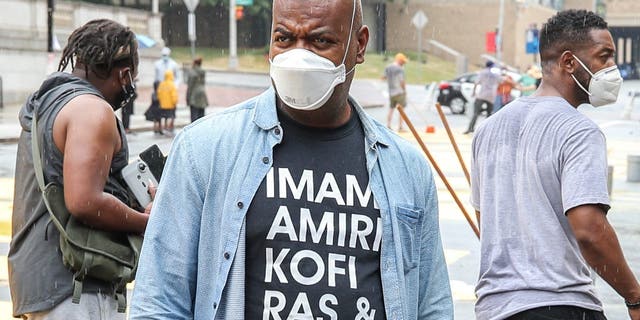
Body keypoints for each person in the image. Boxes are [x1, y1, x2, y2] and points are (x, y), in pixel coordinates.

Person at [130, 0, 453, 319]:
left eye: (320, 40)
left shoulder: (406, 169)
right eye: (284, 39)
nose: (299, 57)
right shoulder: (204, 150)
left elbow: (432, 306)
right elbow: (159, 304)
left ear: (359, 44)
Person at [470, 10, 640, 320]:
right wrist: (634, 296)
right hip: (561, 306)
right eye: (604, 57)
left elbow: (487, 222)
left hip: (495, 310)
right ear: (568, 62)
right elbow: (590, 231)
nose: (612, 69)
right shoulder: (579, 131)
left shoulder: (488, 129)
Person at [8, 19, 151, 319]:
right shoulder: (92, 109)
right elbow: (84, 201)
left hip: (39, 283)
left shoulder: (47, 103)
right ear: (124, 74)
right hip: (75, 289)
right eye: (132, 78)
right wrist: (144, 221)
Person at [464, 61, 501, 134]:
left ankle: (470, 128)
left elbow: (476, 82)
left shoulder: (482, 72)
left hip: (482, 94)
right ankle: (487, 130)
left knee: (476, 113)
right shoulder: (495, 74)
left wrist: (474, 92)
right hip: (491, 96)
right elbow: (500, 81)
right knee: (489, 114)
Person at [382, 52, 408, 131]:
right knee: (401, 109)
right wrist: (404, 90)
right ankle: (400, 127)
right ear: (399, 60)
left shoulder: (388, 67)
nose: (403, 63)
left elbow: (383, 77)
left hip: (391, 92)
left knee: (391, 108)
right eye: (403, 61)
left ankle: (388, 125)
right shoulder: (400, 69)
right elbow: (401, 81)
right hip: (399, 92)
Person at [186, 57, 209, 122]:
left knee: (194, 117)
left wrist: (187, 98)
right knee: (201, 117)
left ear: (194, 63)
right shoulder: (202, 72)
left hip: (194, 96)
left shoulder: (192, 73)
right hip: (202, 94)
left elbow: (190, 87)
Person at [157, 70, 178, 134]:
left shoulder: (161, 84)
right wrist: (175, 102)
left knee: (165, 116)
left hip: (163, 104)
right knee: (172, 116)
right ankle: (170, 126)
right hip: (170, 105)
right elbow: (174, 95)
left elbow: (159, 93)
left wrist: (160, 102)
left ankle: (165, 126)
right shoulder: (172, 85)